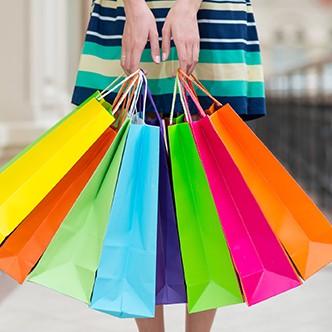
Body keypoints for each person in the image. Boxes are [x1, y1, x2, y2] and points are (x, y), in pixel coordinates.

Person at [71, 1, 266, 331]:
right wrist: (133, 7)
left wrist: (189, 7)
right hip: (125, 8)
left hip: (210, 10)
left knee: (208, 188)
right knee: (131, 178)